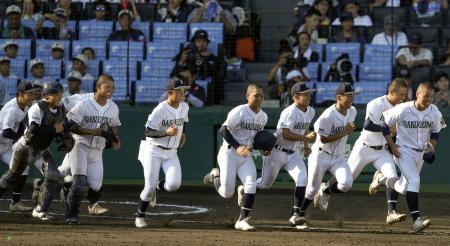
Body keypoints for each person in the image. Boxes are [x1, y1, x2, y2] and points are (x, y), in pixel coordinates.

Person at [321, 79, 409, 225]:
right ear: (391, 92)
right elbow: (368, 125)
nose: (403, 98)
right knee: (345, 184)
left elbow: (399, 129)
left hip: (381, 151)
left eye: (404, 95)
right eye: (400, 94)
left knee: (393, 176)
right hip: (364, 148)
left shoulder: (402, 107)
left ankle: (391, 213)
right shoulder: (376, 104)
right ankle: (325, 190)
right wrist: (389, 129)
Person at [0, 82, 72, 221]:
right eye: (55, 94)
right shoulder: (37, 108)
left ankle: (39, 210)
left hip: (42, 149)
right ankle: (16, 202)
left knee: (53, 176)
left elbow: (63, 126)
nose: (59, 97)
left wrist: (66, 135)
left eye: (61, 93)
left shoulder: (61, 108)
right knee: (10, 179)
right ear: (46, 96)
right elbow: (34, 130)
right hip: (26, 149)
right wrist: (54, 130)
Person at [383, 82, 446, 232]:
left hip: (420, 153)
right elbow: (384, 125)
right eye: (426, 95)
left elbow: (436, 132)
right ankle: (416, 220)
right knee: (414, 181)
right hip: (403, 150)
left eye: (431, 96)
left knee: (404, 187)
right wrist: (392, 146)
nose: (429, 99)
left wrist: (431, 146)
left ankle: (383, 180)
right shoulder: (403, 108)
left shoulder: (434, 111)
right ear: (417, 94)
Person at [203, 83, 268, 231]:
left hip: (246, 155)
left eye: (261, 96)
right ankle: (215, 176)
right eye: (256, 95)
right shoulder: (240, 111)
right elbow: (224, 130)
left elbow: (257, 138)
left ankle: (242, 220)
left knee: (251, 183)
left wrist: (264, 148)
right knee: (226, 193)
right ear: (247, 96)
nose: (259, 98)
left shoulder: (263, 116)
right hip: (229, 153)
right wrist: (238, 146)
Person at [296, 82, 357, 229]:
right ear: (339, 97)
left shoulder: (352, 111)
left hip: (338, 157)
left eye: (352, 96)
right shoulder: (327, 116)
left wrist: (345, 132)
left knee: (346, 184)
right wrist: (344, 132)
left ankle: (325, 191)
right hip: (321, 155)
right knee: (311, 189)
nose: (351, 99)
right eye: (348, 96)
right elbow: (322, 139)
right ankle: (300, 215)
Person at [256, 82, 316, 227]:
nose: (309, 96)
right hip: (276, 151)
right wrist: (305, 139)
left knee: (302, 179)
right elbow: (286, 134)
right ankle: (246, 188)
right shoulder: (289, 112)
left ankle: (295, 215)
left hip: (293, 153)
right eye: (305, 94)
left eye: (309, 93)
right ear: (295, 97)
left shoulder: (310, 111)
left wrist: (306, 145)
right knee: (265, 184)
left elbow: (305, 128)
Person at [135, 76, 190, 228]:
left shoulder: (184, 106)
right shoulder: (160, 109)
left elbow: (184, 121)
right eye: (179, 91)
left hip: (171, 152)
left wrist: (183, 133)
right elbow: (148, 132)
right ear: (170, 93)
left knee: (173, 185)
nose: (182, 93)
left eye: (183, 91)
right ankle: (140, 216)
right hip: (154, 151)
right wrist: (165, 132)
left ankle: (158, 186)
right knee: (149, 187)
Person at [65, 75, 121, 224]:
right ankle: (72, 213)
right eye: (107, 87)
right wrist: (91, 132)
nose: (110, 90)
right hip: (80, 146)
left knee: (95, 186)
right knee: (80, 183)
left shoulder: (113, 106)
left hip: (97, 151)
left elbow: (115, 124)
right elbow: (71, 125)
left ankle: (68, 187)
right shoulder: (84, 104)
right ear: (98, 87)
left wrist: (115, 137)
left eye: (112, 87)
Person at [0, 82, 39, 212]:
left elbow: (19, 124)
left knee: (23, 167)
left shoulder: (25, 106)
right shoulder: (12, 108)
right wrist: (23, 138)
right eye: (29, 94)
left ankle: (15, 203)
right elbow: (6, 132)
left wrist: (23, 134)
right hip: (3, 141)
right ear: (20, 94)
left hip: (5, 146)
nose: (32, 96)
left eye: (33, 93)